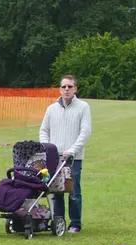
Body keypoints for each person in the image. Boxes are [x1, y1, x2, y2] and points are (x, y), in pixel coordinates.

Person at [39, 75, 91, 233]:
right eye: (64, 87)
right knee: (56, 191)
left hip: (73, 157)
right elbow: (44, 130)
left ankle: (75, 223)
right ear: (60, 89)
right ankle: (58, 221)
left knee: (73, 191)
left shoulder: (83, 107)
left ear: (75, 89)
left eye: (70, 87)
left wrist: (73, 150)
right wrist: (46, 148)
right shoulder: (51, 109)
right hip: (54, 157)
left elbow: (85, 131)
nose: (66, 89)